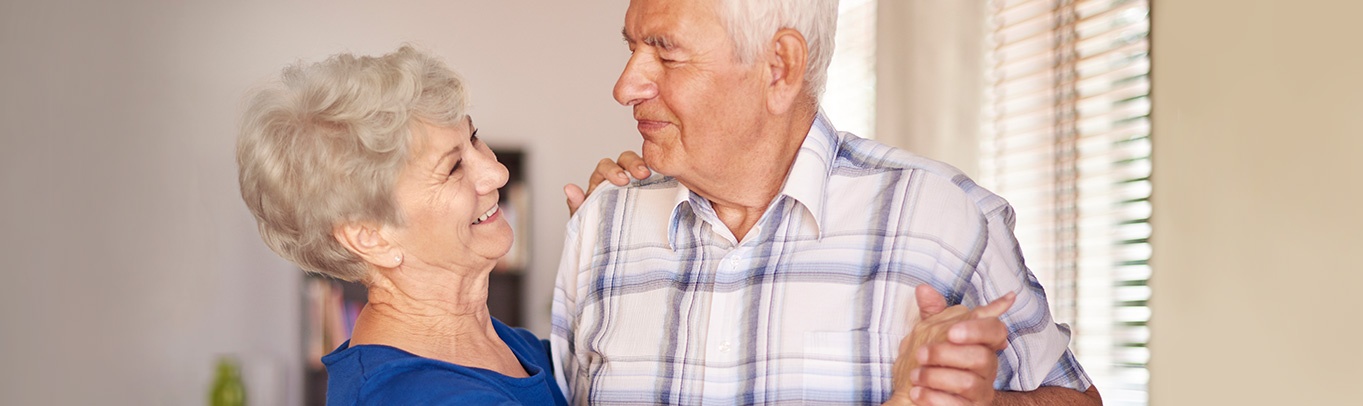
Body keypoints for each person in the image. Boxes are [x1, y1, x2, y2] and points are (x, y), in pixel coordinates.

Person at [552, 0, 1102, 404]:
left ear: (780, 68)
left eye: (666, 54)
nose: (626, 86)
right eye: (632, 47)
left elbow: (1077, 398)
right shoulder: (601, 227)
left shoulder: (943, 217)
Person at [235, 46, 567, 405]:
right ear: (371, 236)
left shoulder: (507, 345)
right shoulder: (413, 396)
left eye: (473, 138)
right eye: (453, 168)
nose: (497, 172)